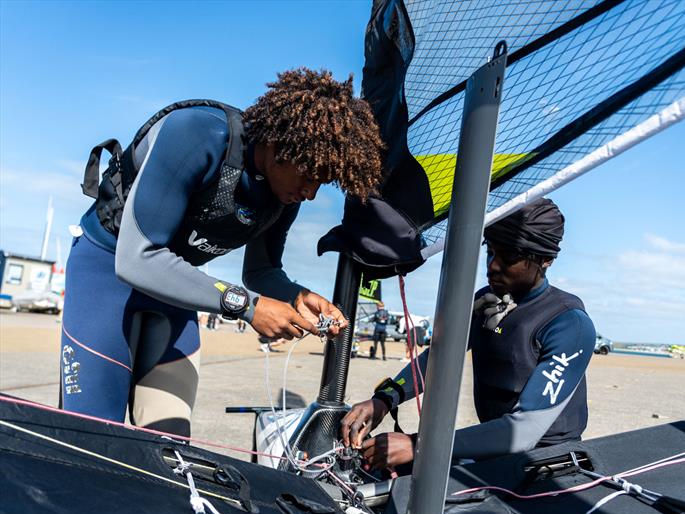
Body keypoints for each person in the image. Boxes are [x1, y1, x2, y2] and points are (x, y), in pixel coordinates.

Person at [60, 68, 384, 436]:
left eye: (321, 183)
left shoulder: (282, 196)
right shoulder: (199, 135)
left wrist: (298, 297)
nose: (310, 193)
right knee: (88, 439)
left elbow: (260, 272)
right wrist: (247, 306)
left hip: (174, 294)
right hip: (106, 275)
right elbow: (138, 258)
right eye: (309, 176)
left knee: (171, 448)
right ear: (280, 147)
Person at [341, 199, 596, 470]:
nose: (493, 266)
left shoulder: (569, 323)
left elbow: (525, 429)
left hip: (547, 462)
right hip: (494, 450)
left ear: (546, 260)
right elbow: (439, 356)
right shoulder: (486, 301)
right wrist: (384, 399)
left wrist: (419, 444)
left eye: (508, 258)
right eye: (490, 252)